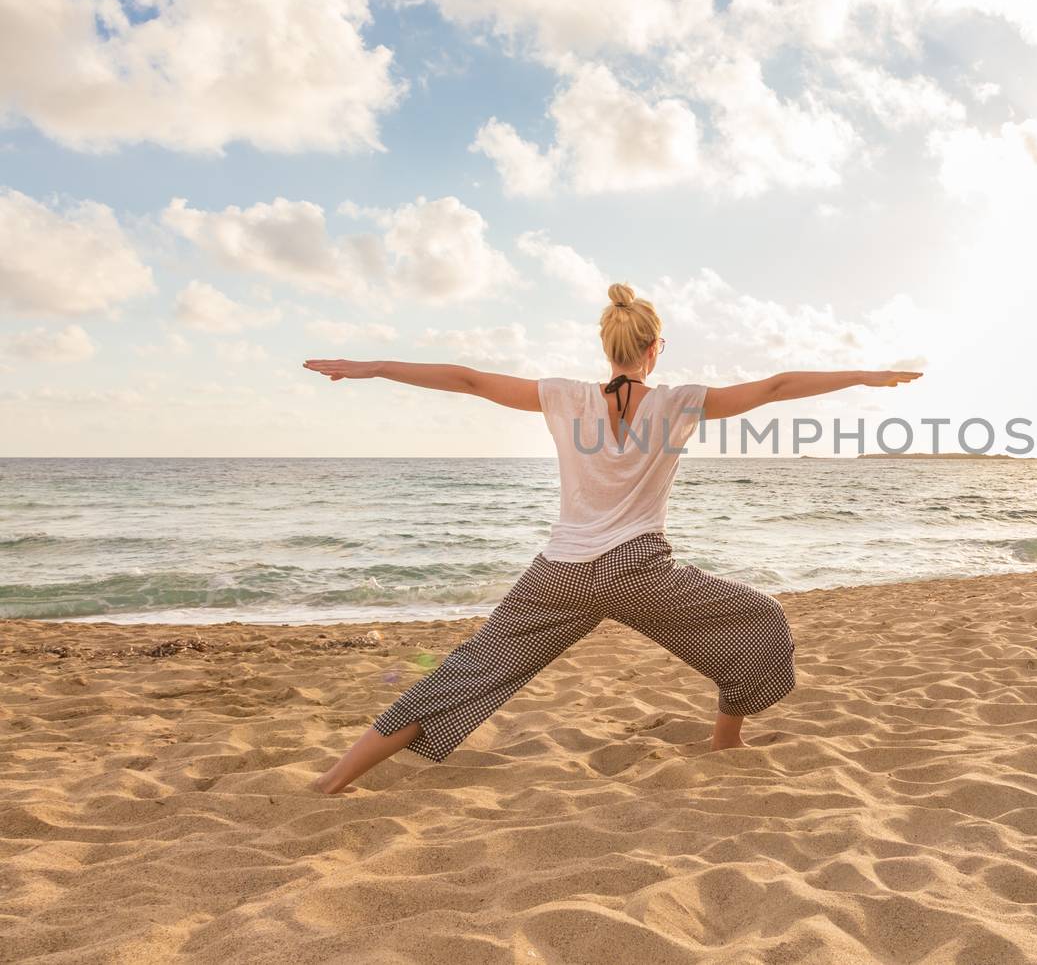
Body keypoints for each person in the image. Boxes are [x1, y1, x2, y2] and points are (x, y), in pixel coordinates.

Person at [303, 282, 920, 793]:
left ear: (609, 347)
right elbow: (778, 386)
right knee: (759, 620)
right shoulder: (680, 403)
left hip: (561, 572)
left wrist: (374, 367)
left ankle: (334, 782)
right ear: (655, 349)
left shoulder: (563, 397)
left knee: (464, 673)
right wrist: (863, 376)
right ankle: (726, 738)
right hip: (639, 571)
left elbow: (466, 379)